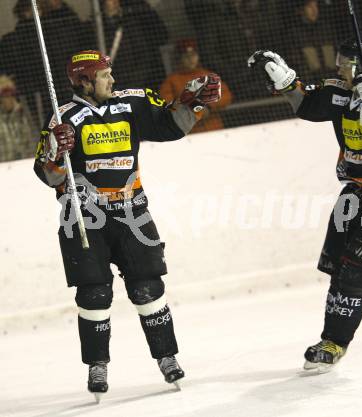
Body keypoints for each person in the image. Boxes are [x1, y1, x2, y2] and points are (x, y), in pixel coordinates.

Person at [33, 50, 221, 398]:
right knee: (94, 294)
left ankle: (167, 357)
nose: (113, 80)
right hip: (85, 218)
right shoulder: (63, 118)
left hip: (132, 211)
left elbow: (169, 127)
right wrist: (54, 153)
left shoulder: (132, 103)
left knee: (148, 288)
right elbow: (48, 176)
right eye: (104, 75)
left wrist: (193, 106)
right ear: (84, 81)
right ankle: (97, 365)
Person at [248, 34, 362, 372]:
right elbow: (307, 104)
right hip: (354, 193)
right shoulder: (341, 93)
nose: (337, 66)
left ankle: (334, 344)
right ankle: (331, 338)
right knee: (338, 269)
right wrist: (286, 81)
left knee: (354, 272)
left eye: (344, 61)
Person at [160, 40, 232, 133]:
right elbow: (165, 102)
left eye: (193, 55)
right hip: (189, 133)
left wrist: (209, 107)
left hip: (213, 129)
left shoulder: (208, 76)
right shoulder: (172, 80)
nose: (191, 60)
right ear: (179, 59)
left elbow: (226, 96)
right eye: (186, 56)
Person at [98, 0, 169, 90]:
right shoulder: (98, 25)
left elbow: (161, 36)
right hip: (123, 79)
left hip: (145, 75)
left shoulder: (137, 13)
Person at [0, 75, 35, 162]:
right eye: (4, 93)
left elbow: (30, 140)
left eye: (10, 93)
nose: (8, 97)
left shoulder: (22, 113)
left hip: (22, 163)